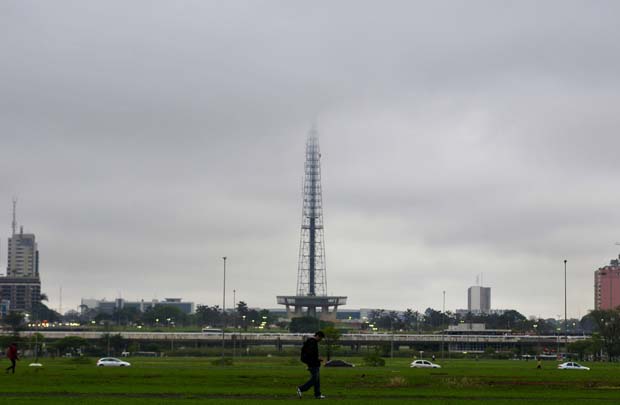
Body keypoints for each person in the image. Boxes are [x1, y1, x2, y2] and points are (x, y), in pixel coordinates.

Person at [297, 331, 325, 399]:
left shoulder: (311, 341)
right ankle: (301, 388)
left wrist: (318, 359)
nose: (320, 340)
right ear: (318, 336)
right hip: (312, 363)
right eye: (320, 338)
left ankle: (317, 394)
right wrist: (317, 359)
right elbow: (311, 354)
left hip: (313, 362)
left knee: (317, 380)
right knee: (315, 379)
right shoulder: (312, 342)